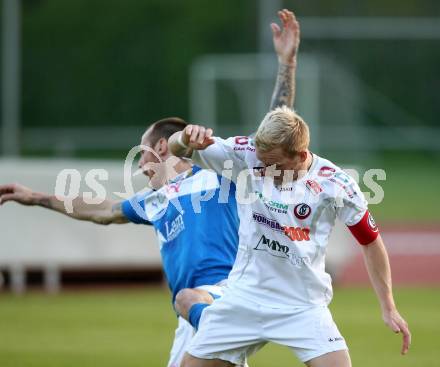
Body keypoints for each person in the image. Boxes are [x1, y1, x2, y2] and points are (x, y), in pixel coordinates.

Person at [0, 9, 300, 367]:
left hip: (226, 296)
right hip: (192, 317)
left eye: (142, 154)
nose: (140, 166)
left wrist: (286, 63)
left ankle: (229, 332)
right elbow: (101, 212)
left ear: (160, 148)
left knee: (190, 302)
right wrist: (35, 198)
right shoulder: (153, 202)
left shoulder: (218, 178)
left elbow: (274, 132)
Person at [169, 111, 411, 365]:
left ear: (302, 156)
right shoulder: (245, 154)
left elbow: (370, 242)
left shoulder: (335, 184)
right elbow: (177, 148)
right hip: (244, 297)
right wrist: (184, 137)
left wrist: (389, 306)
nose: (266, 171)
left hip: (302, 304)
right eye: (262, 163)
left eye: (276, 166)